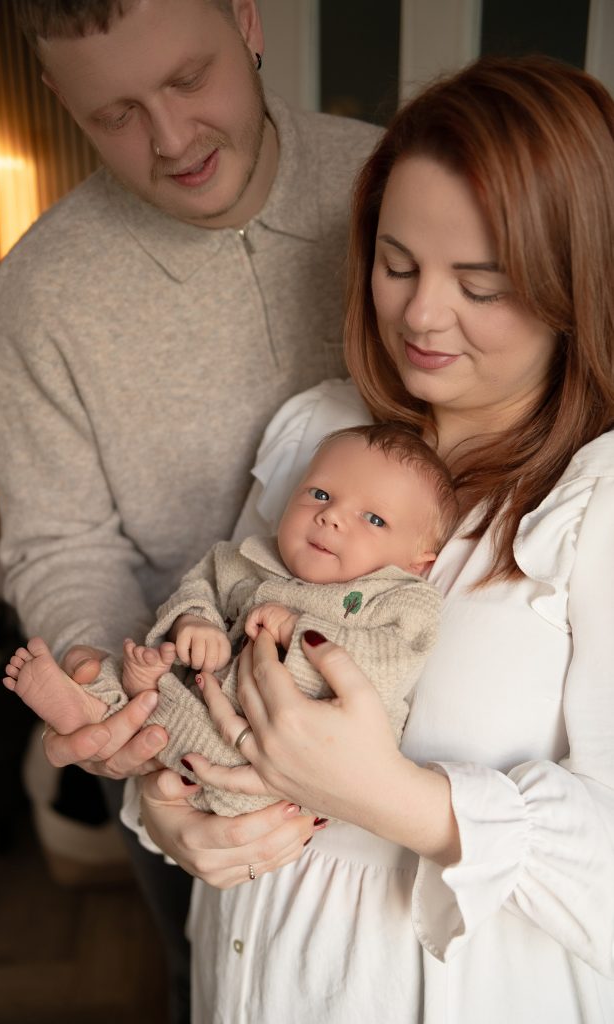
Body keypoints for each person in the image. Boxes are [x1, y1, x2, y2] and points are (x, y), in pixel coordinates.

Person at [107, 54, 613, 1021]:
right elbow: (207, 645)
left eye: (483, 283)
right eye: (395, 262)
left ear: (569, 282)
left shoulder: (599, 503)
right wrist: (170, 814)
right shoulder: (314, 429)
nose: (420, 316)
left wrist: (401, 798)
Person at [0, 1, 380, 1018]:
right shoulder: (39, 297)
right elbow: (62, 542)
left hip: (409, 712)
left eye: (187, 79)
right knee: (197, 983)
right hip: (186, 748)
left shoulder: (395, 189)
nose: (170, 140)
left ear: (246, 20)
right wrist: (95, 673)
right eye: (112, 112)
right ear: (56, 97)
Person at [2, 423, 458, 816]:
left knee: (227, 772)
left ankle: (121, 705)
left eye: (374, 519)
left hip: (295, 762)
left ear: (419, 562)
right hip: (195, 699)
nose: (331, 516)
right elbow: (197, 588)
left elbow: (389, 665)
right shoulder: (246, 558)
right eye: (319, 493)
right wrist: (193, 624)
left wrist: (295, 631)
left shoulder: (401, 601)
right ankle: (95, 703)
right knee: (131, 671)